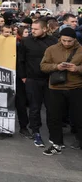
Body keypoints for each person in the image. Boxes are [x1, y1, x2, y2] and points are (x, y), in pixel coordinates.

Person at [39, 27, 82, 155]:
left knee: (78, 117)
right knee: (54, 117)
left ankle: (79, 140)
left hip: (76, 87)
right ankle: (56, 143)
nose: (67, 43)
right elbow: (43, 66)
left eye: (70, 41)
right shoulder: (51, 49)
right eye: (64, 40)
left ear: (75, 39)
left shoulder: (80, 50)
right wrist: (56, 66)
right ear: (60, 39)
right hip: (56, 87)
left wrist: (77, 69)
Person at [18, 20, 59, 148]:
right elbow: (21, 60)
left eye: (36, 29)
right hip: (32, 79)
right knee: (34, 108)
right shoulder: (26, 41)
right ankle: (36, 132)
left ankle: (55, 135)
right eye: (32, 29)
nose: (32, 31)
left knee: (52, 108)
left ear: (45, 29)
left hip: (50, 80)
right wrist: (24, 76)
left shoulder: (54, 41)